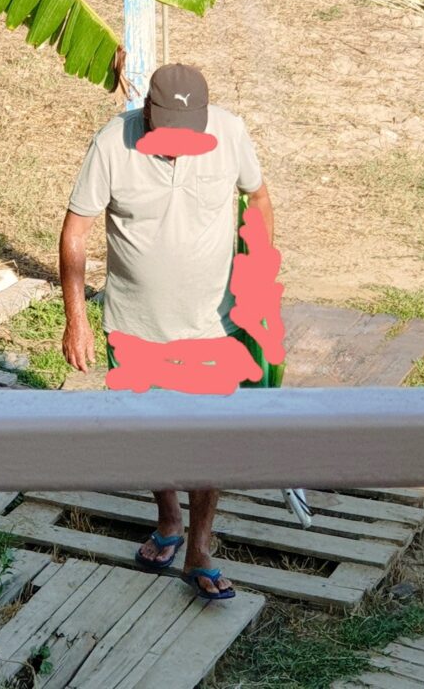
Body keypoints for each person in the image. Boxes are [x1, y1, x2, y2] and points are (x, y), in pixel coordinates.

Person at [59, 63, 274, 600]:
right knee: (147, 438)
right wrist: (76, 319)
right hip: (134, 326)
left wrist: (258, 276)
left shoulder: (229, 132)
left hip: (212, 324)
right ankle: (169, 519)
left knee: (207, 443)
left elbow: (259, 197)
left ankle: (199, 549)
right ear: (148, 114)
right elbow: (76, 231)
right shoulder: (112, 143)